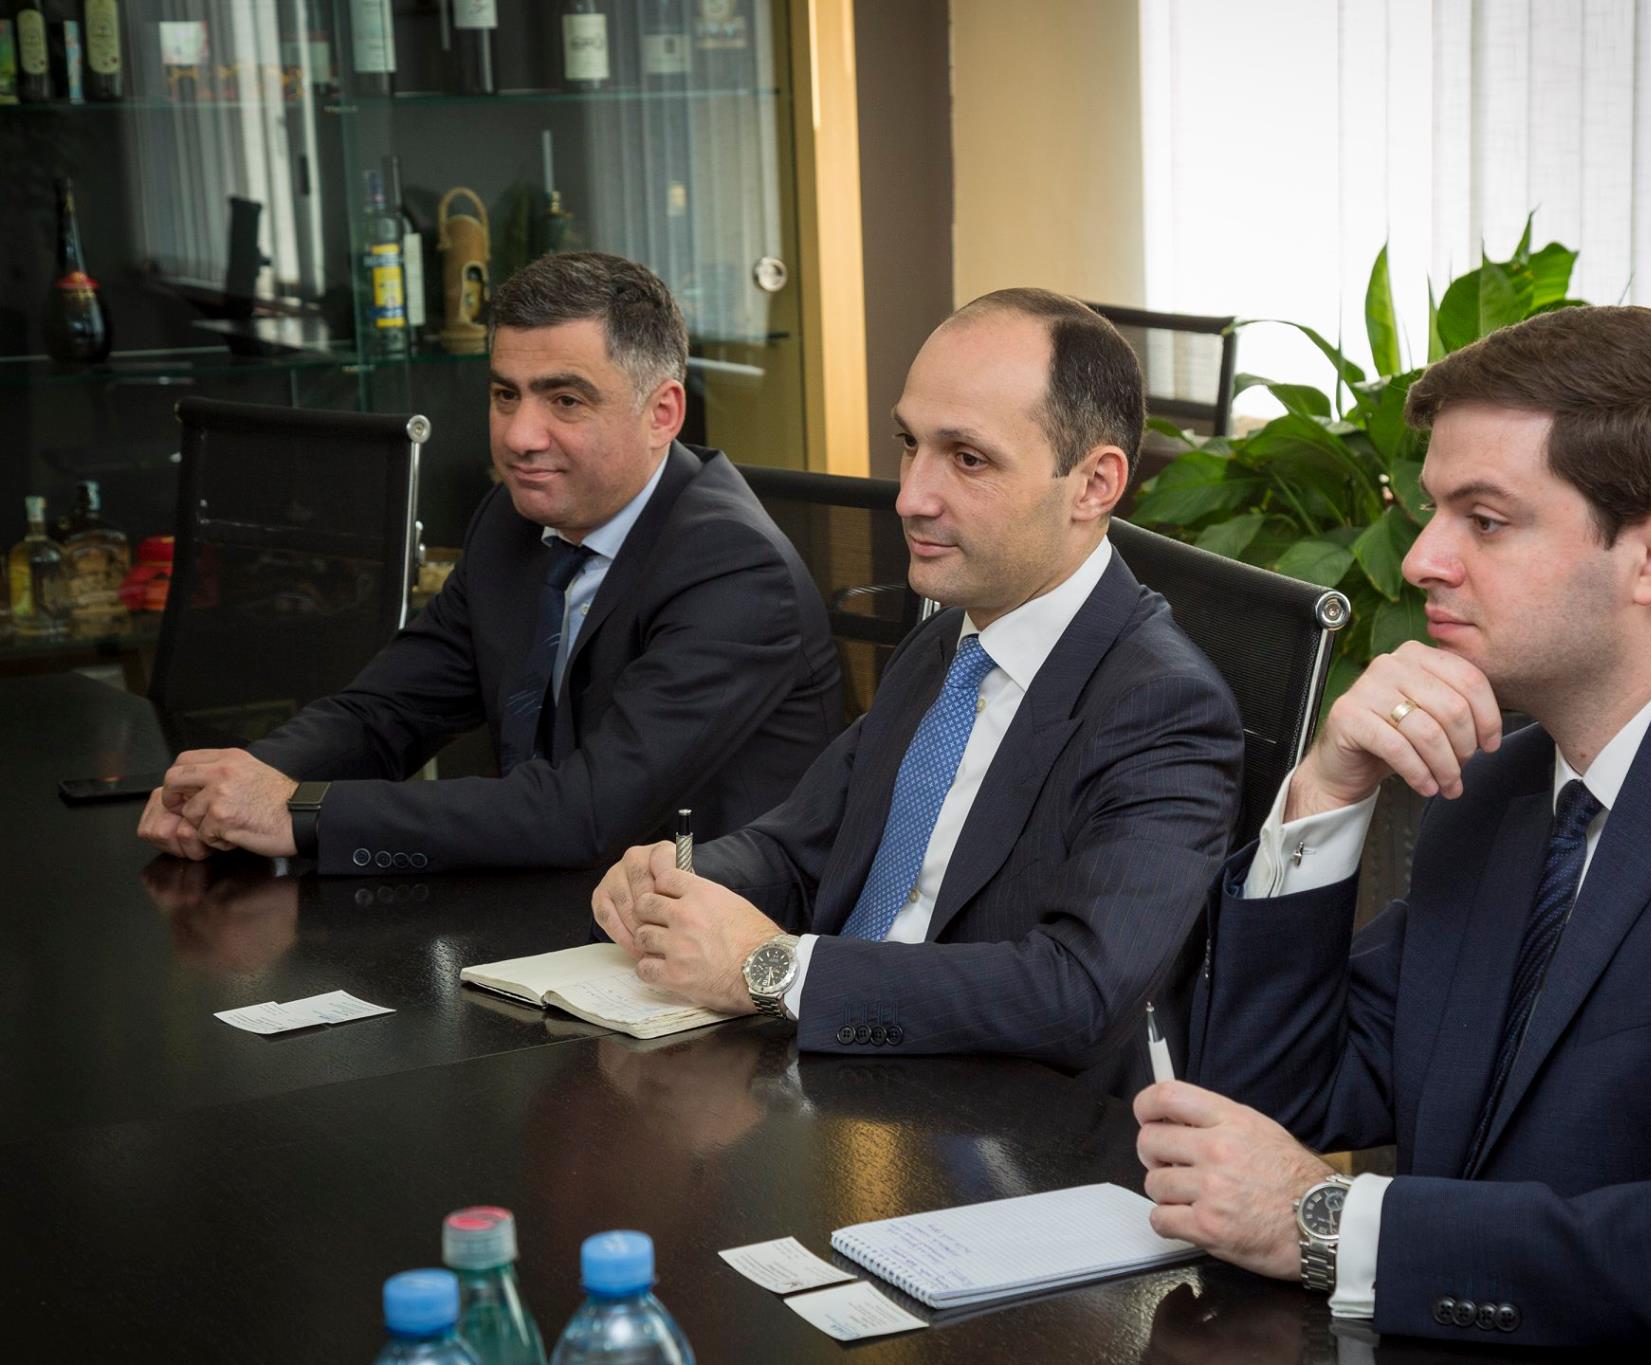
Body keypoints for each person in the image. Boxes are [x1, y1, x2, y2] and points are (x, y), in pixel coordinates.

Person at [1133, 305, 1651, 1360]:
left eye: (1484, 520)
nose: (1421, 561)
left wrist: (1329, 1223)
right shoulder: (1504, 785)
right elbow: (1277, 1103)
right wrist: (1324, 789)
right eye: (1430, 511)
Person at [589, 288, 1242, 1094]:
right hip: (832, 1079)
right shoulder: (948, 642)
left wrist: (771, 968)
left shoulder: (1165, 710)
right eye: (909, 444)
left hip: (993, 1125)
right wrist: (675, 880)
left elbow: (1075, 992)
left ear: (1094, 484)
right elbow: (800, 848)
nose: (909, 497)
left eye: (968, 459)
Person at [138, 252, 841, 874]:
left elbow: (586, 813)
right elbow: (389, 709)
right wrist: (242, 782)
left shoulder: (735, 571)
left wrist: (295, 813)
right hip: (546, 899)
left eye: (565, 400)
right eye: (506, 395)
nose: (520, 436)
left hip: (700, 932)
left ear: (662, 413)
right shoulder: (514, 520)